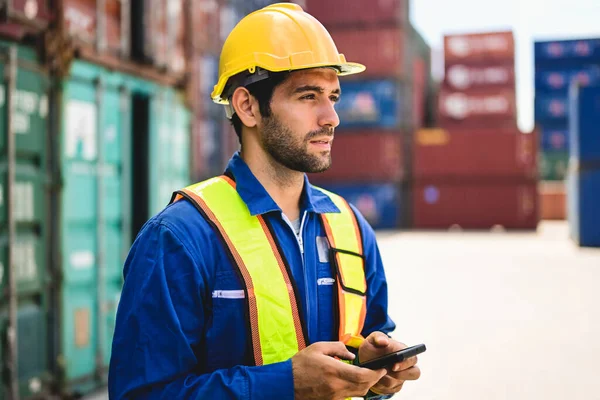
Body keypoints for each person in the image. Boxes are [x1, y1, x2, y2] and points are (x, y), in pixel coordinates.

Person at [108, 3, 421, 399]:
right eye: (308, 96)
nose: (331, 117)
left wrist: (374, 371)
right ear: (248, 106)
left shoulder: (350, 226)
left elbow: (369, 334)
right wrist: (285, 384)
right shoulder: (180, 237)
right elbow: (141, 394)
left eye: (334, 97)